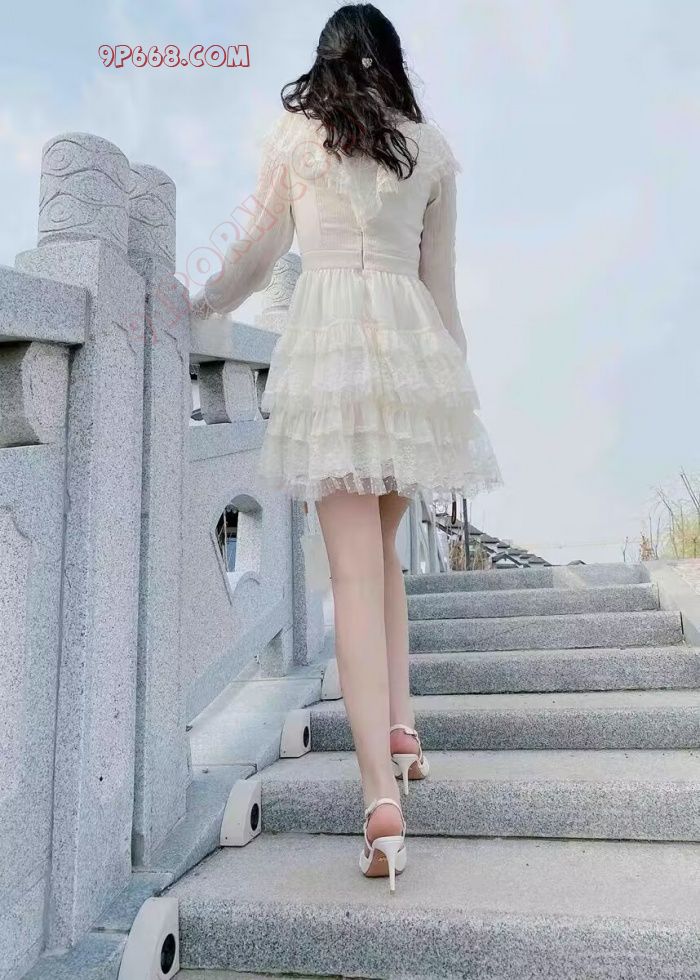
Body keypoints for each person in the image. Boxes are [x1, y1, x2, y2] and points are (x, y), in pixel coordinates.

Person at [191, 2, 502, 892]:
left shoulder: (298, 138)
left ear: (324, 61)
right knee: (383, 561)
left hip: (331, 359)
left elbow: (257, 254)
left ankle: (379, 803)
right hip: (413, 361)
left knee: (357, 576)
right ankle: (400, 728)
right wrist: (452, 393)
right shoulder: (428, 150)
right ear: (391, 60)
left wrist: (199, 302)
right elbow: (442, 290)